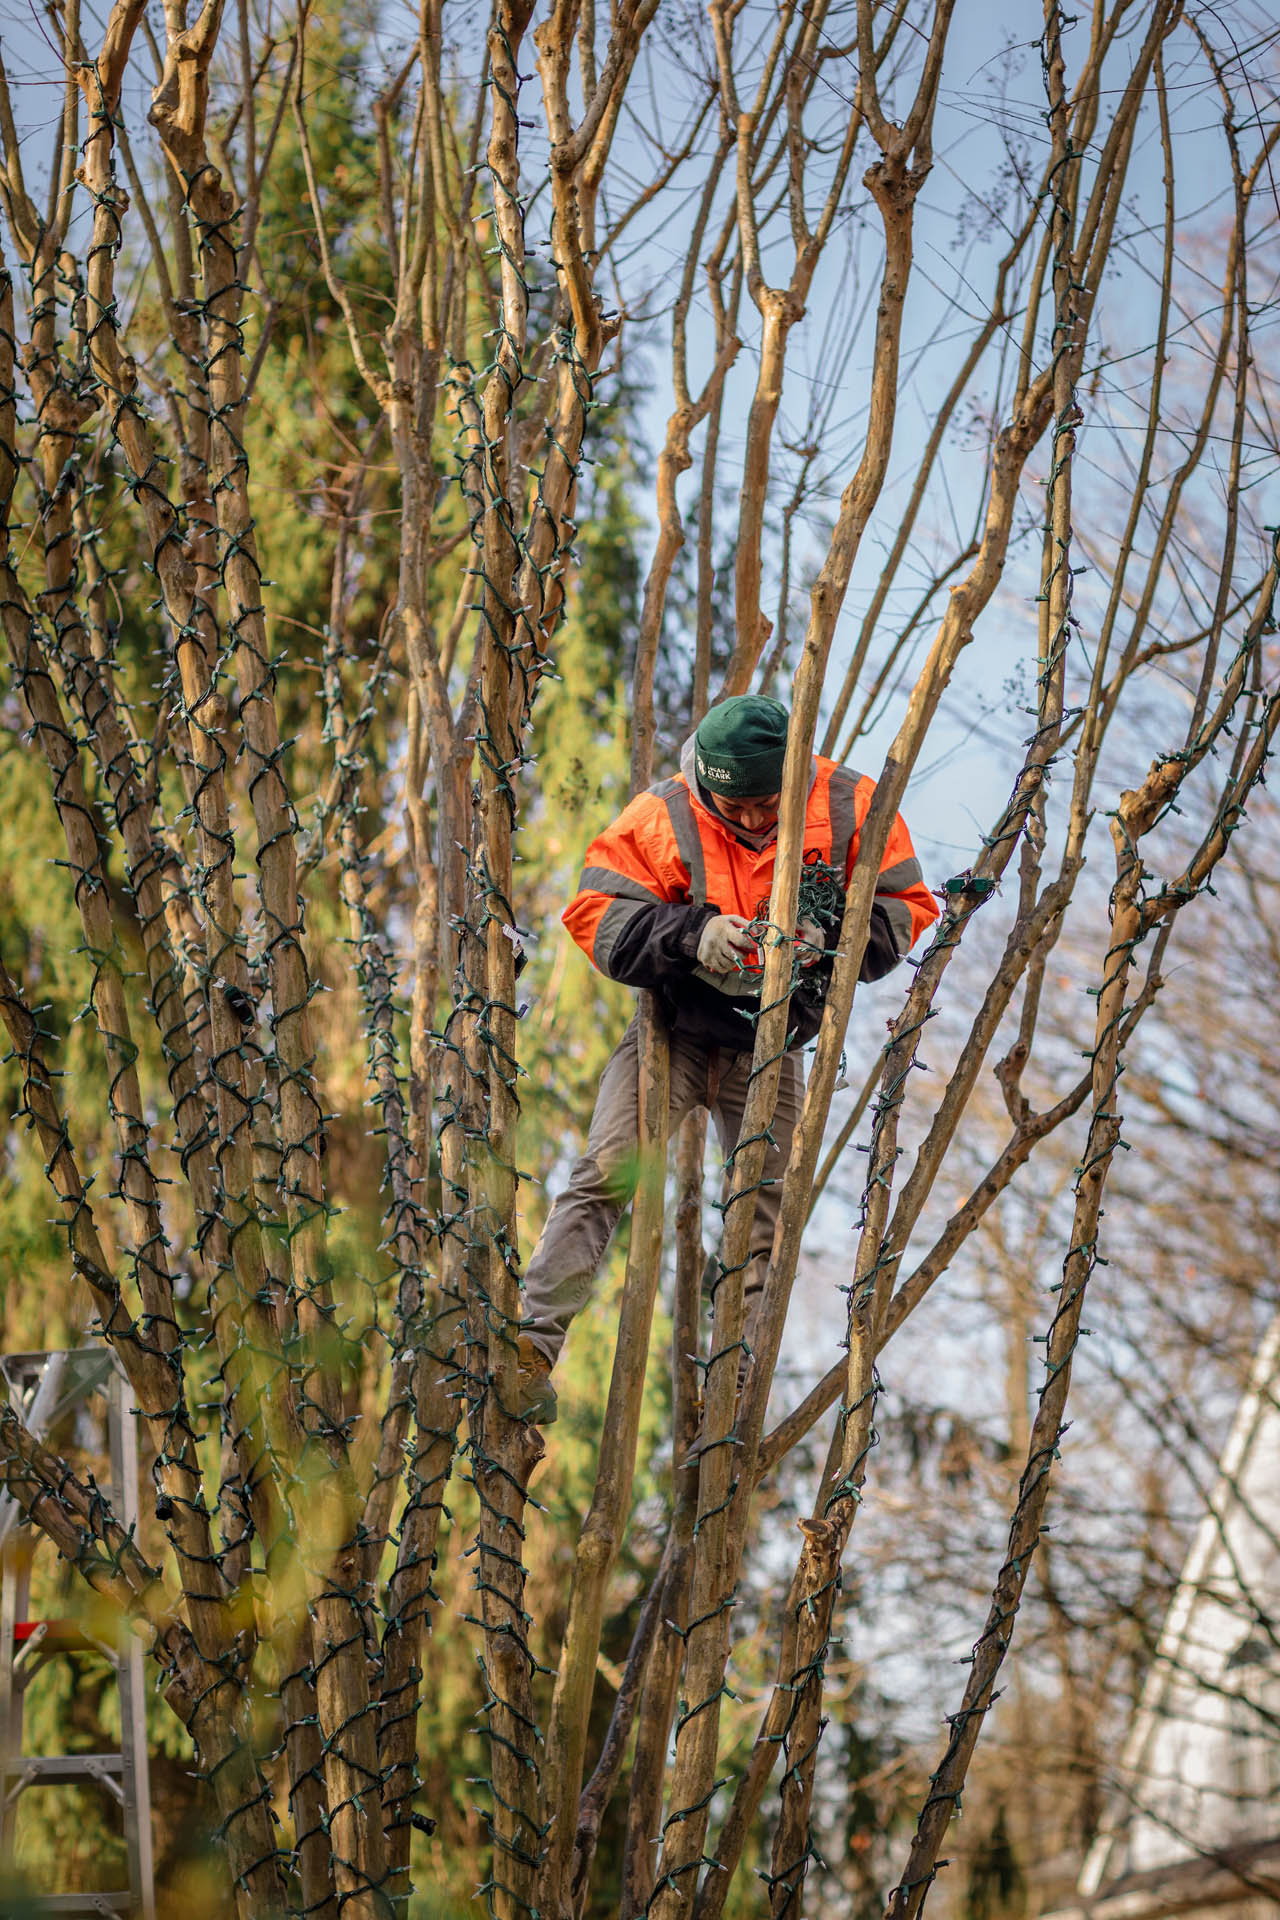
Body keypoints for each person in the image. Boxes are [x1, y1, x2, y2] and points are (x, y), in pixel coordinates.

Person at [515, 694, 938, 1422]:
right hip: (672, 1031)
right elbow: (595, 914)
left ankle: (728, 1394)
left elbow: (907, 907)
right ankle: (527, 1349)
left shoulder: (851, 805)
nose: (747, 819)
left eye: (763, 803)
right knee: (606, 1173)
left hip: (771, 1047)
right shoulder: (663, 814)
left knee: (763, 1218)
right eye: (730, 804)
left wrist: (831, 939)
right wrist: (691, 933)